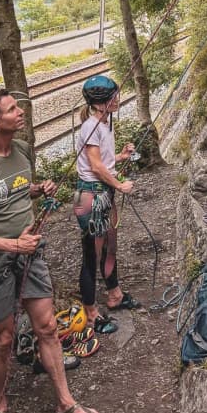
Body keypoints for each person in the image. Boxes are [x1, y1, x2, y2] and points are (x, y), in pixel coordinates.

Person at [0, 89, 101, 413]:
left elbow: (14, 191)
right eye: (11, 109)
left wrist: (36, 189)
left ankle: (65, 401)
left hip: (30, 251)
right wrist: (12, 245)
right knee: (3, 339)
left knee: (47, 327)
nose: (20, 112)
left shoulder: (21, 151)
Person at [73, 75, 140, 336]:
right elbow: (95, 166)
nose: (118, 99)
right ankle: (90, 313)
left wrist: (121, 155)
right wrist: (120, 185)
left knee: (110, 247)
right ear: (100, 103)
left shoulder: (105, 122)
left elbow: (104, 160)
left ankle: (115, 294)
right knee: (92, 255)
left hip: (103, 192)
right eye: (113, 96)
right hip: (91, 195)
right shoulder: (90, 127)